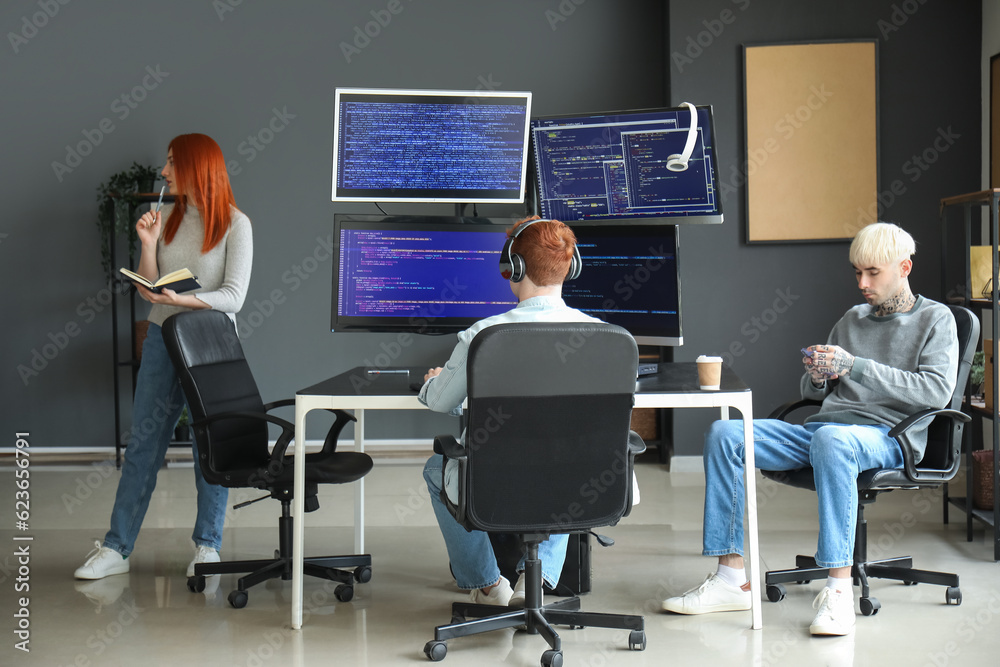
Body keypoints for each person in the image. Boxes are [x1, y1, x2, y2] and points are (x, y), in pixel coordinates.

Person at [661, 222, 958, 636]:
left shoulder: (935, 319)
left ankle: (838, 592)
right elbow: (815, 394)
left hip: (888, 437)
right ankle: (731, 579)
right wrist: (819, 377)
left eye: (873, 273)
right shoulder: (852, 319)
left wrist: (855, 366)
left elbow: (936, 392)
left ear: (904, 267)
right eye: (857, 272)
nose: (862, 283)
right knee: (725, 435)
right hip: (825, 430)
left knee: (833, 440)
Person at [75, 134, 253, 580]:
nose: (164, 171)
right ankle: (116, 548)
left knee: (207, 447)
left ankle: (208, 546)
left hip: (212, 347)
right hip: (161, 338)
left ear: (196, 166)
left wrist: (183, 300)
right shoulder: (165, 217)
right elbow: (149, 288)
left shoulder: (236, 224)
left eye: (172, 162)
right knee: (143, 446)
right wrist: (149, 244)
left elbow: (234, 297)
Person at [420, 216, 602, 607]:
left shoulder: (484, 337)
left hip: (496, 483)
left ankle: (488, 585)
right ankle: (537, 583)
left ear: (513, 267)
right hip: (583, 483)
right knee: (567, 461)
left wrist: (435, 381)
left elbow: (439, 402)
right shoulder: (606, 337)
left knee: (435, 470)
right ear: (572, 266)